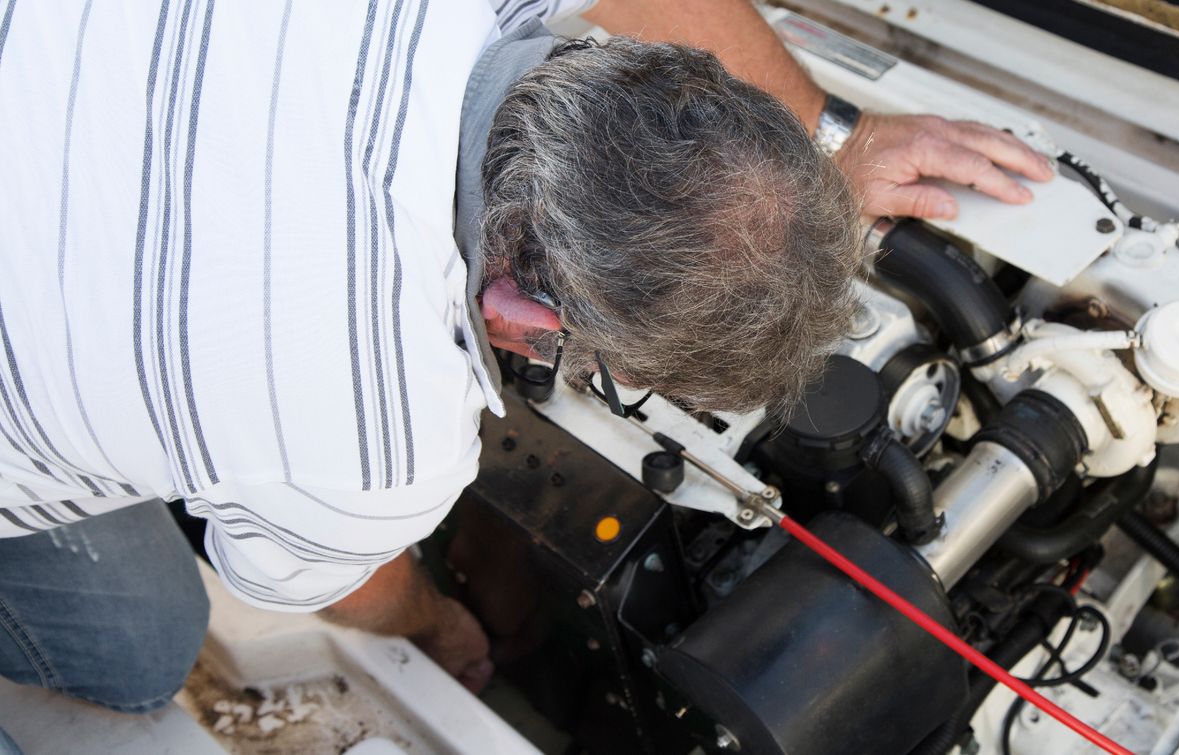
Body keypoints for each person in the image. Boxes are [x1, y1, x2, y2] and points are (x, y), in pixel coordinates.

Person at [0, 0, 1052, 742]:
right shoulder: (370, 440)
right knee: (137, 651)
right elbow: (350, 587)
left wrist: (843, 137)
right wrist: (436, 619)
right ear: (515, 316)